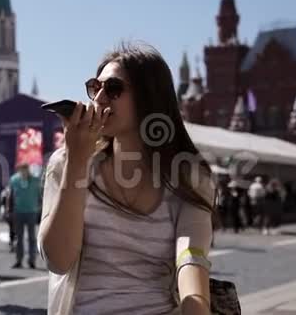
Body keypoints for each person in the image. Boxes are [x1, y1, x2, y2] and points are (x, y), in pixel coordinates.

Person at [38, 43, 216, 314]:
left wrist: (197, 306)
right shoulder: (66, 163)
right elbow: (58, 260)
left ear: (150, 97)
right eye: (94, 88)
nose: (99, 100)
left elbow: (191, 258)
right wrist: (76, 161)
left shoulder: (186, 175)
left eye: (113, 89)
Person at [9, 163, 42, 269]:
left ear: (28, 170)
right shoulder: (14, 180)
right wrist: (9, 209)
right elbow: (10, 195)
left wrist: (40, 207)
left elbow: (40, 195)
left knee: (32, 237)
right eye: (21, 170)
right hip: (18, 211)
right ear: (19, 170)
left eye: (25, 169)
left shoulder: (35, 180)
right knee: (19, 237)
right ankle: (19, 260)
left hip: (31, 211)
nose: (24, 172)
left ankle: (32, 260)